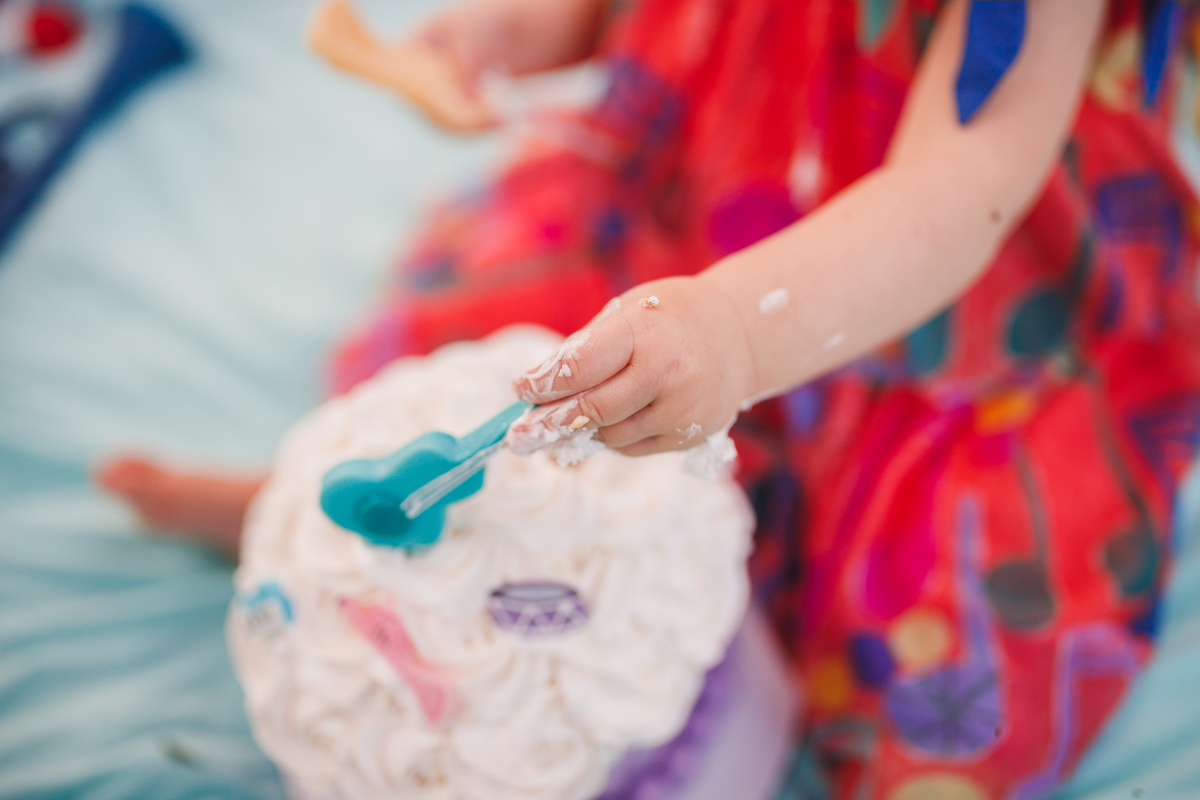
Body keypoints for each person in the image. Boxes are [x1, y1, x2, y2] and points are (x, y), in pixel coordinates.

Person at [99, 0, 1200, 796]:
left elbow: (965, 187)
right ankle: (317, 522)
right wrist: (511, 31)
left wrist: (734, 331)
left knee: (937, 683)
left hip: (928, 351)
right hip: (683, 218)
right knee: (485, 392)